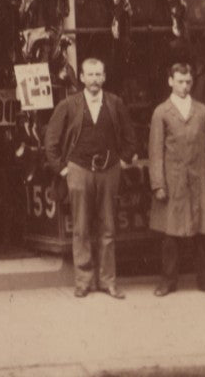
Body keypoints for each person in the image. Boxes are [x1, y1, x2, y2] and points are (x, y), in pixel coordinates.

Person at [43, 57, 136, 299]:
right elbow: (51, 141)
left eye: (98, 75)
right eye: (90, 75)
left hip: (109, 171)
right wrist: (63, 169)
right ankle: (83, 281)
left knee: (108, 228)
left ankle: (108, 281)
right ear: (81, 78)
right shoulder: (69, 105)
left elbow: (130, 138)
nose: (94, 80)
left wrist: (123, 162)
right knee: (81, 228)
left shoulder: (115, 103)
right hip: (79, 170)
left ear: (104, 78)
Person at [148, 63, 205, 298]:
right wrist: (158, 184)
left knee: (204, 233)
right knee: (170, 235)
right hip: (173, 180)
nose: (184, 86)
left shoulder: (202, 111)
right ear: (170, 82)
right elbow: (155, 152)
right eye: (180, 81)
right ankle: (168, 281)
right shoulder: (161, 112)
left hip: (199, 179)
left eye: (188, 82)